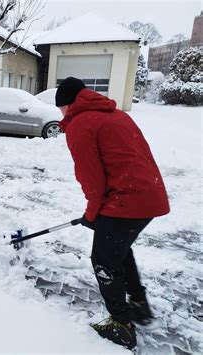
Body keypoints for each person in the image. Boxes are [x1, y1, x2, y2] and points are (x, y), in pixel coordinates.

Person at [55, 77, 170, 350]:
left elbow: (92, 179)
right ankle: (139, 304)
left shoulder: (81, 124)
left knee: (104, 259)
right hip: (148, 195)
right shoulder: (117, 115)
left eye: (60, 108)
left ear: (66, 104)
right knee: (117, 249)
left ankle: (121, 324)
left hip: (126, 199)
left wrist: (93, 214)